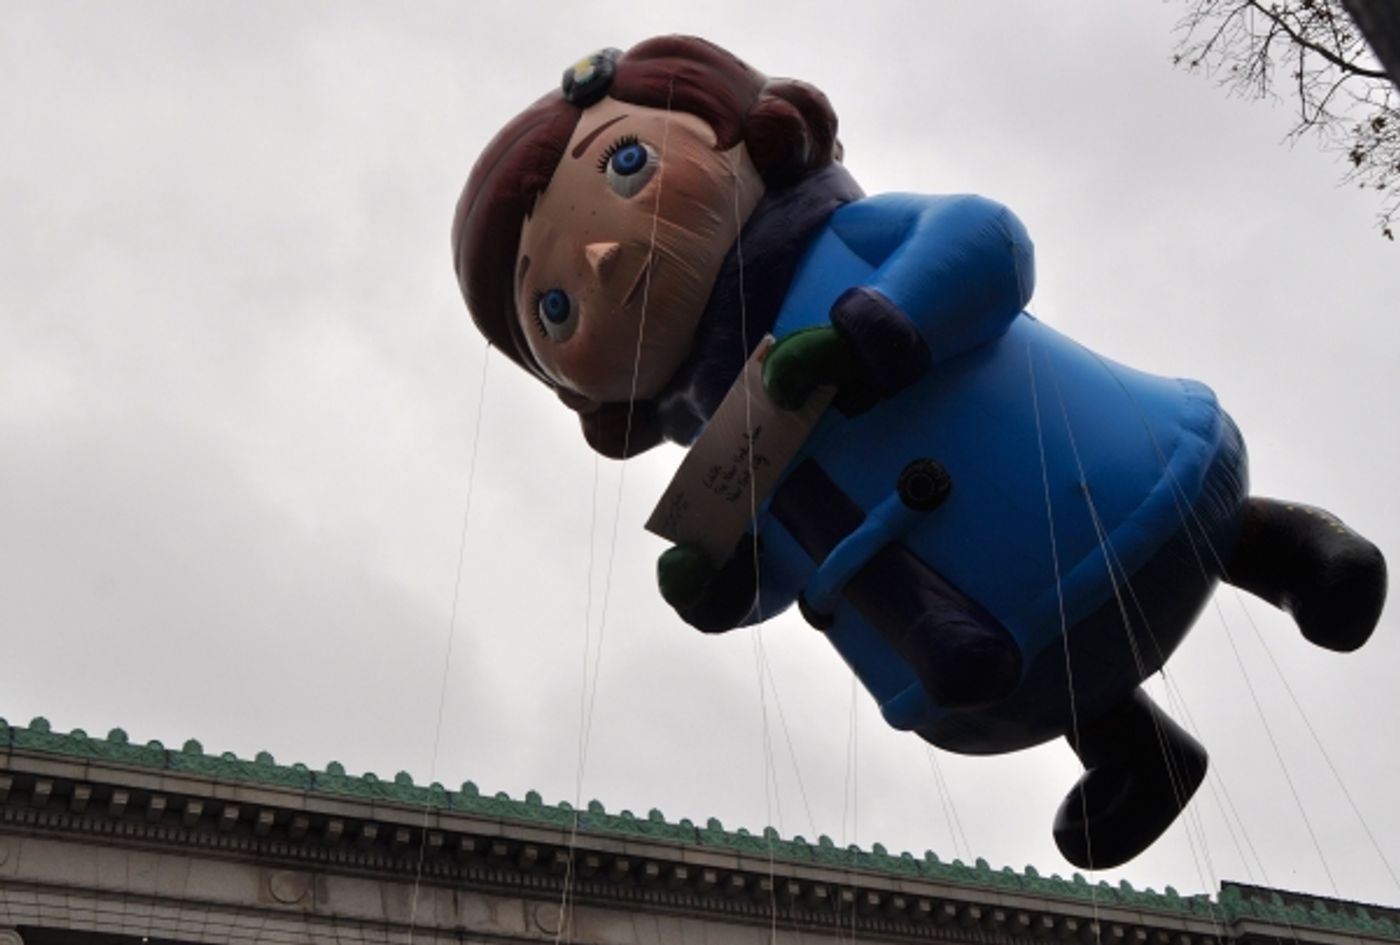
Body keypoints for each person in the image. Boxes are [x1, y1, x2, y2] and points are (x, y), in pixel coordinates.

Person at [452, 36, 1387, 868]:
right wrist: (729, 584)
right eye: (556, 306)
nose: (608, 257)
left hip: (1071, 456)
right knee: (1049, 649)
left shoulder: (844, 242)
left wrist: (886, 323)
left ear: (748, 134)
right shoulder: (720, 431)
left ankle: (1290, 552)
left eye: (626, 164)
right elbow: (789, 549)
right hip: (976, 636)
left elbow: (985, 241)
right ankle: (1138, 752)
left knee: (1164, 505)